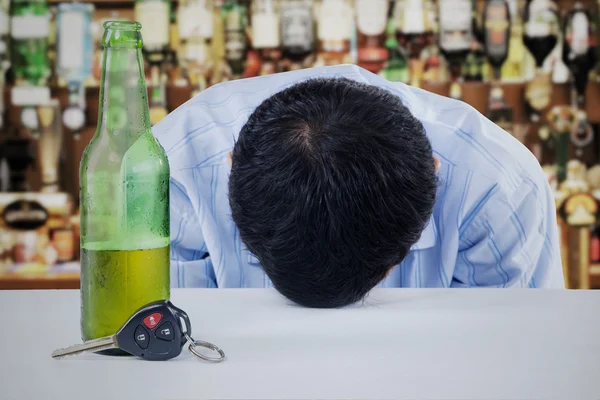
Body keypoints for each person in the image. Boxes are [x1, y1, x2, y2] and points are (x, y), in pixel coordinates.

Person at [153, 64, 564, 308]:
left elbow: (513, 361)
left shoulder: (501, 192)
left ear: (434, 176)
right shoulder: (166, 178)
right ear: (230, 171)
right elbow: (156, 356)